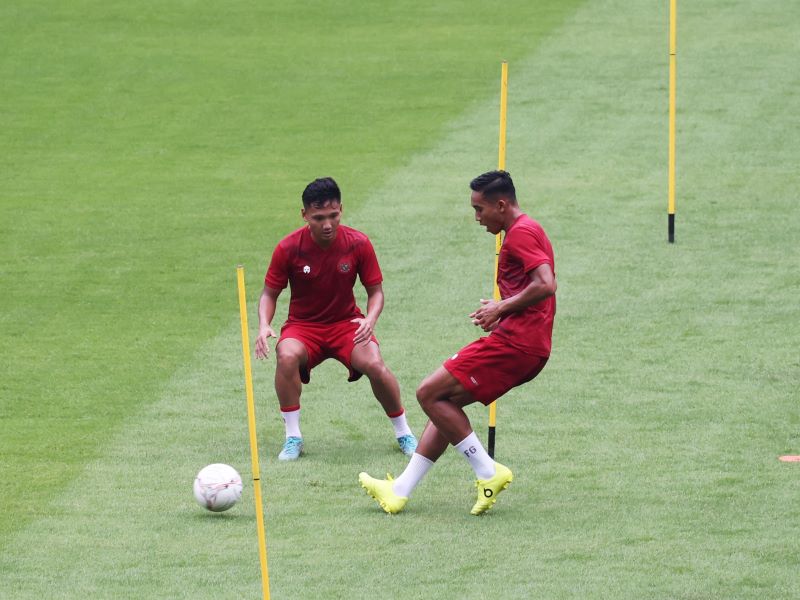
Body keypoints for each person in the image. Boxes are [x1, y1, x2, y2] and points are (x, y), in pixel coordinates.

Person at [359, 170, 556, 515]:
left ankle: (488, 472)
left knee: (428, 393)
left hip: (516, 344)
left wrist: (501, 307)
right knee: (444, 404)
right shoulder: (528, 229)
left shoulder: (520, 234)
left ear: (501, 204)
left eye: (479, 209)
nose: (476, 218)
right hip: (527, 344)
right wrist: (502, 311)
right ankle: (400, 491)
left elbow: (546, 284)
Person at [255, 177, 417, 460]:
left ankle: (404, 433)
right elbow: (270, 294)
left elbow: (375, 292)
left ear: (341, 209)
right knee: (287, 355)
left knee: (375, 365)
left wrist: (371, 320)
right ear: (304, 215)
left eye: (333, 215)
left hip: (347, 325)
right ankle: (293, 437)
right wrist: (264, 325)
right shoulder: (288, 248)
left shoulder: (358, 243)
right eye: (318, 218)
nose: (327, 224)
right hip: (303, 328)